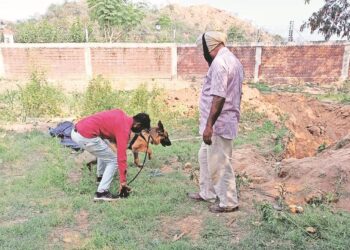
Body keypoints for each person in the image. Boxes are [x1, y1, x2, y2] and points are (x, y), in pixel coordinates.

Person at [188, 31, 244, 213]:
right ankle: (207, 192)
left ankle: (228, 202)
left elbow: (219, 97)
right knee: (204, 158)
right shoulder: (231, 59)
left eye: (202, 48)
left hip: (218, 124)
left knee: (220, 162)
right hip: (218, 122)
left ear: (209, 46)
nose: (202, 53)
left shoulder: (220, 63)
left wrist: (210, 126)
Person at [71, 109, 150, 201]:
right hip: (85, 136)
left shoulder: (120, 113)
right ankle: (101, 193)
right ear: (137, 125)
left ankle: (100, 177)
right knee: (113, 160)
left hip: (77, 130)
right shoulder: (124, 129)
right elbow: (122, 157)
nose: (138, 132)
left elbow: (108, 129)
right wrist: (123, 182)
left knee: (105, 149)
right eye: (140, 130)